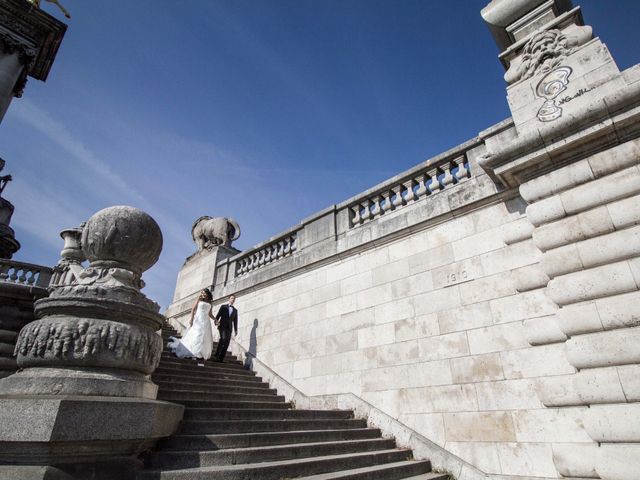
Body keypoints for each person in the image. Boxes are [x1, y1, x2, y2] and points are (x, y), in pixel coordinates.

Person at [167, 289, 215, 363]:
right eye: (202, 293)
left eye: (204, 293)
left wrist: (215, 319)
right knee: (197, 334)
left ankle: (201, 352)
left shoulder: (210, 303)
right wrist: (191, 319)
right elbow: (193, 309)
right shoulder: (198, 300)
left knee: (204, 336)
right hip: (198, 319)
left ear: (207, 294)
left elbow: (210, 314)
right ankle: (194, 351)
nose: (203, 294)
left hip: (206, 321)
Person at [214, 294, 238, 362]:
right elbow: (218, 315)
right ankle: (216, 356)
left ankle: (221, 358)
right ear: (229, 299)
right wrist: (216, 321)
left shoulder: (235, 310)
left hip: (229, 328)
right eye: (232, 298)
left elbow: (235, 321)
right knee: (223, 339)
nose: (233, 300)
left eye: (234, 299)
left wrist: (236, 330)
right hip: (222, 326)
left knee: (227, 342)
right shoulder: (223, 307)